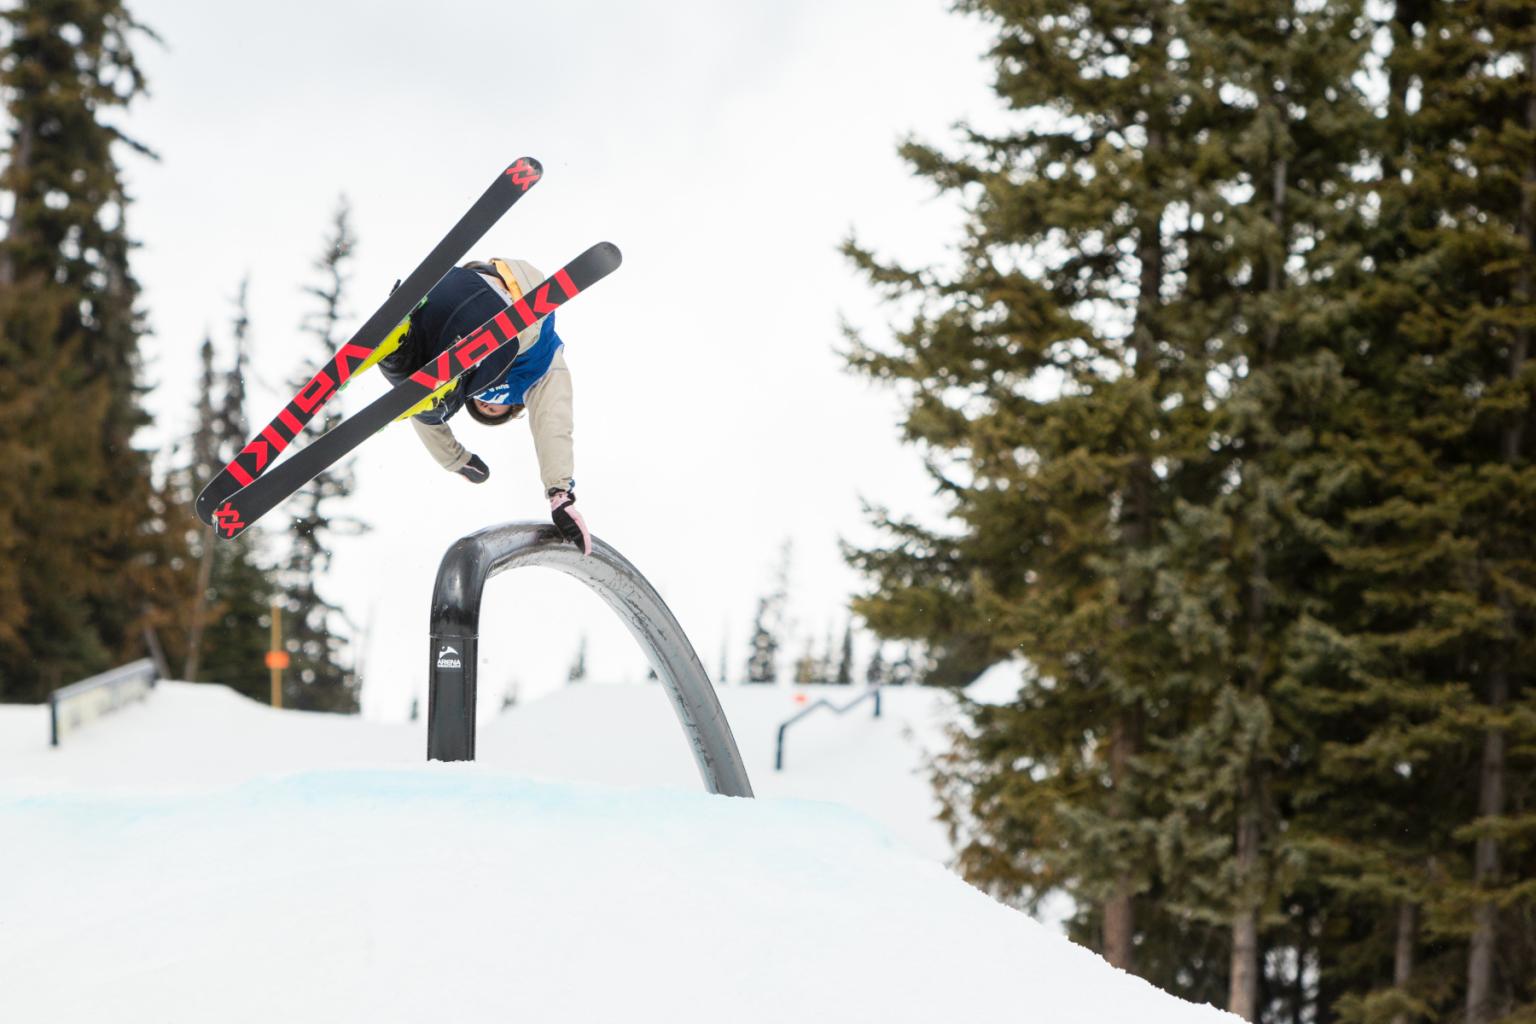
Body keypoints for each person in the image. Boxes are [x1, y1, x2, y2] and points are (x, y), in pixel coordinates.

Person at [376, 257, 590, 555]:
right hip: (502, 309)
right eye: (492, 406)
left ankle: (392, 343)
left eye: (482, 406)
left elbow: (415, 403)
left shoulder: (464, 375)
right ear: (515, 407)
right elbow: (553, 422)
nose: (487, 405)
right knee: (442, 400)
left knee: (411, 377)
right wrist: (559, 492)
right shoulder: (542, 370)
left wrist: (457, 461)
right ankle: (436, 381)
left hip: (446, 293)